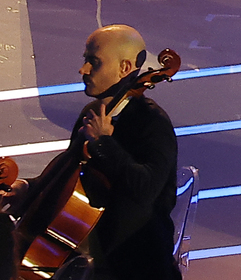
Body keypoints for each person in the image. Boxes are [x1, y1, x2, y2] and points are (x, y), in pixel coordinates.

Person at [1, 25, 182, 279]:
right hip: (84, 261)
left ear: (125, 68)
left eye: (94, 62)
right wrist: (27, 189)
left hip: (131, 266)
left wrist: (103, 143)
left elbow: (146, 189)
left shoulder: (152, 123)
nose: (83, 69)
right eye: (85, 60)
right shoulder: (93, 113)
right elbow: (67, 178)